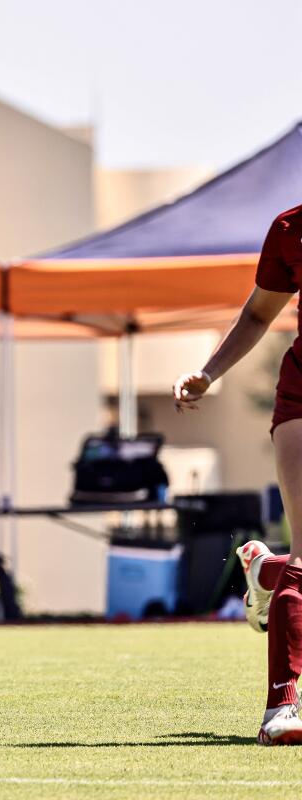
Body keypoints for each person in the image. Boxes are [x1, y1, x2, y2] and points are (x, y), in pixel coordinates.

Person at [174, 203, 302, 745]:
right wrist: (207, 373)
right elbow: (257, 315)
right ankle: (283, 707)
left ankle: (268, 572)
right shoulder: (290, 228)